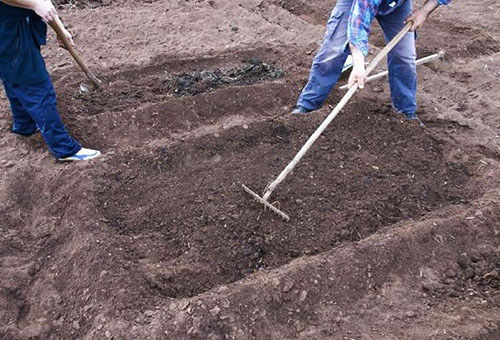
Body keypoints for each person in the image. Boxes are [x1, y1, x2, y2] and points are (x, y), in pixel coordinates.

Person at [291, 0, 451, 125]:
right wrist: (359, 65)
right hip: (354, 3)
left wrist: (424, 11)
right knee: (333, 51)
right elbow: (358, 25)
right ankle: (308, 105)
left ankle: (406, 112)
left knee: (405, 57)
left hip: (398, 5)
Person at [0, 0, 100, 161]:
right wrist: (35, 5)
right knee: (36, 86)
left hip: (16, 25)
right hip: (9, 29)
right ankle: (64, 148)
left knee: (15, 76)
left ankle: (25, 126)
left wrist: (60, 29)